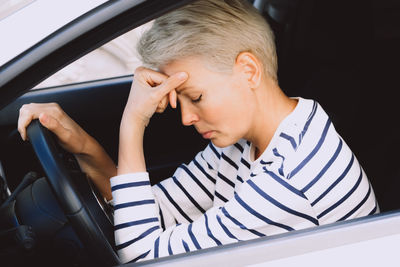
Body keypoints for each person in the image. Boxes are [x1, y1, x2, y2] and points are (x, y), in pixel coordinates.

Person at [17, 0, 378, 263]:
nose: (186, 118)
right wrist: (84, 147)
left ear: (248, 71)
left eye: (196, 97)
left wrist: (133, 123)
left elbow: (143, 257)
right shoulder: (252, 138)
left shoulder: (291, 179)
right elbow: (153, 212)